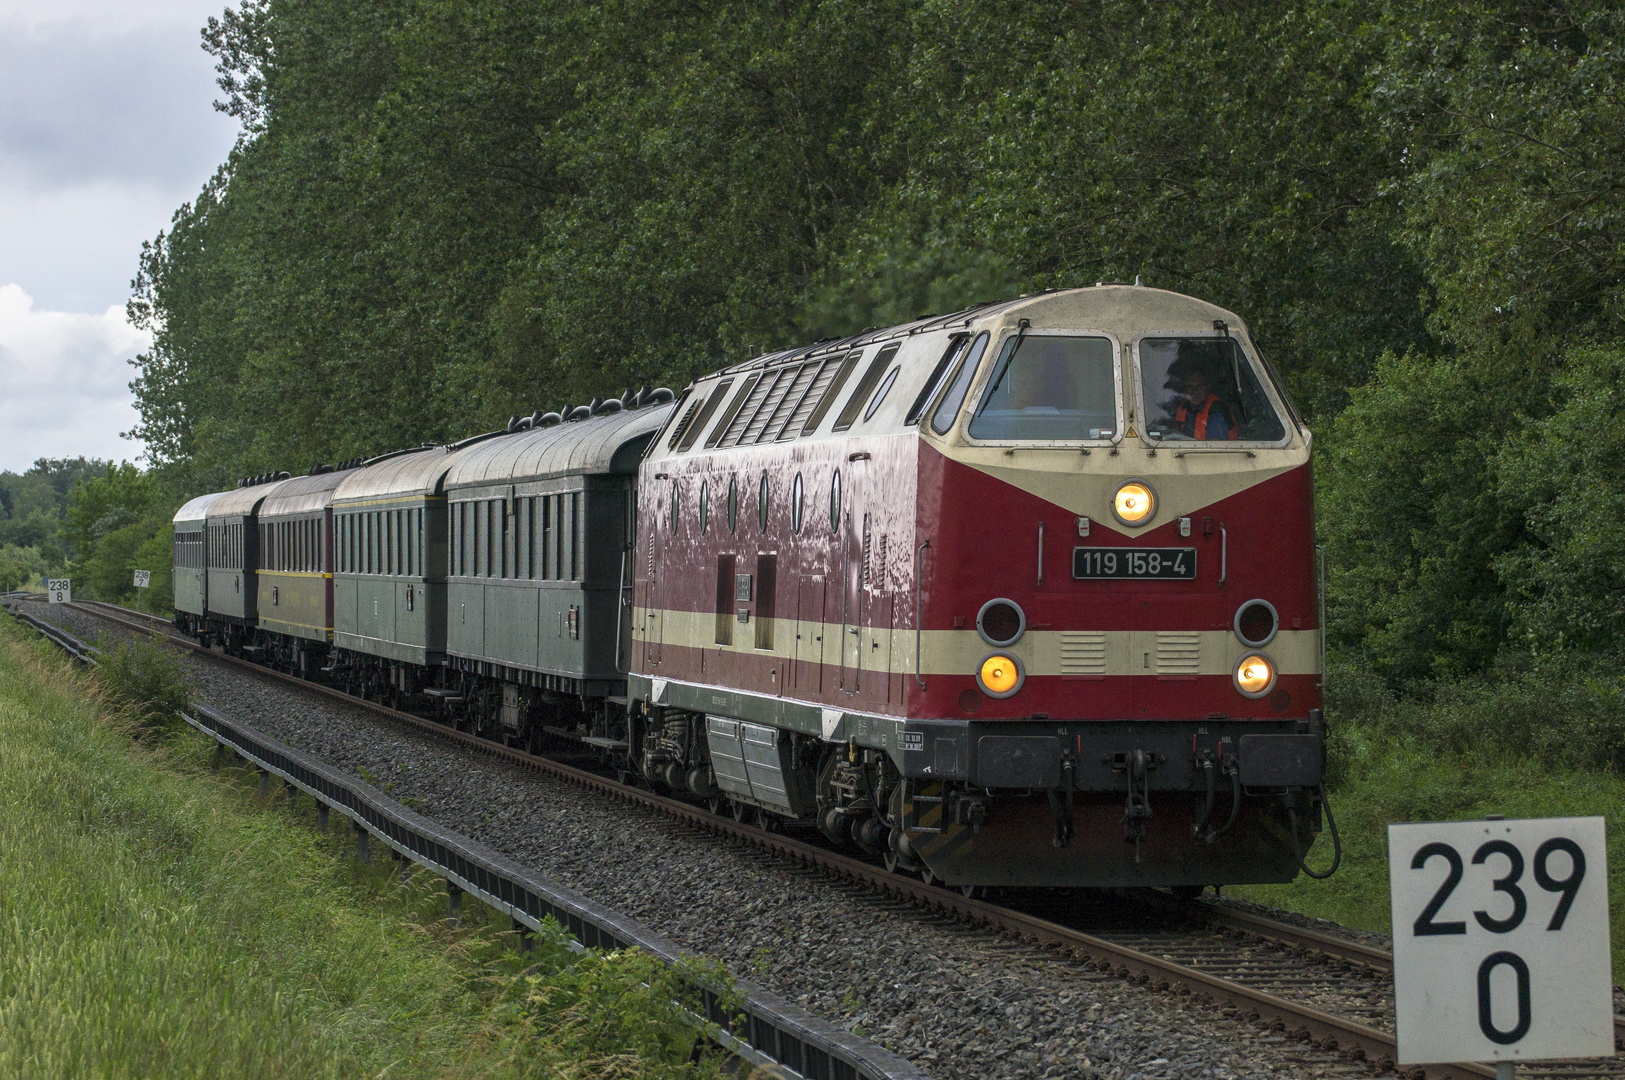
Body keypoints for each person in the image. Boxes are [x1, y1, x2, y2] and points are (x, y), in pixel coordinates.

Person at [1165, 351, 1237, 440]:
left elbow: (1215, 448)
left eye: (1199, 386)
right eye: (1190, 387)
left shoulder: (1216, 410)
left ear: (1207, 387)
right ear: (1184, 389)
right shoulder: (1183, 406)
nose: (1194, 391)